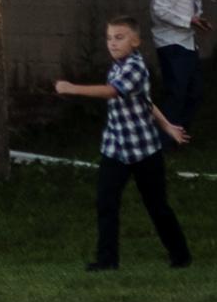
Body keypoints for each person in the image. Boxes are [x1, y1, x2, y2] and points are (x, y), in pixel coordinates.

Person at [45, 15, 191, 271]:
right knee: (106, 203)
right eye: (109, 38)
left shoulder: (136, 67)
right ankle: (107, 261)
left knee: (157, 206)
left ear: (135, 41)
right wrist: (167, 126)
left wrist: (71, 88)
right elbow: (145, 101)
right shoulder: (117, 67)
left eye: (119, 38)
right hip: (115, 149)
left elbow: (112, 92)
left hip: (144, 150)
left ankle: (181, 256)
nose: (112, 43)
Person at [145, 0, 209, 140]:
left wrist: (194, 20)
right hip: (173, 44)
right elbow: (159, 9)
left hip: (185, 42)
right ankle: (164, 140)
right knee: (177, 93)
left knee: (194, 91)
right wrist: (188, 20)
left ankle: (179, 134)